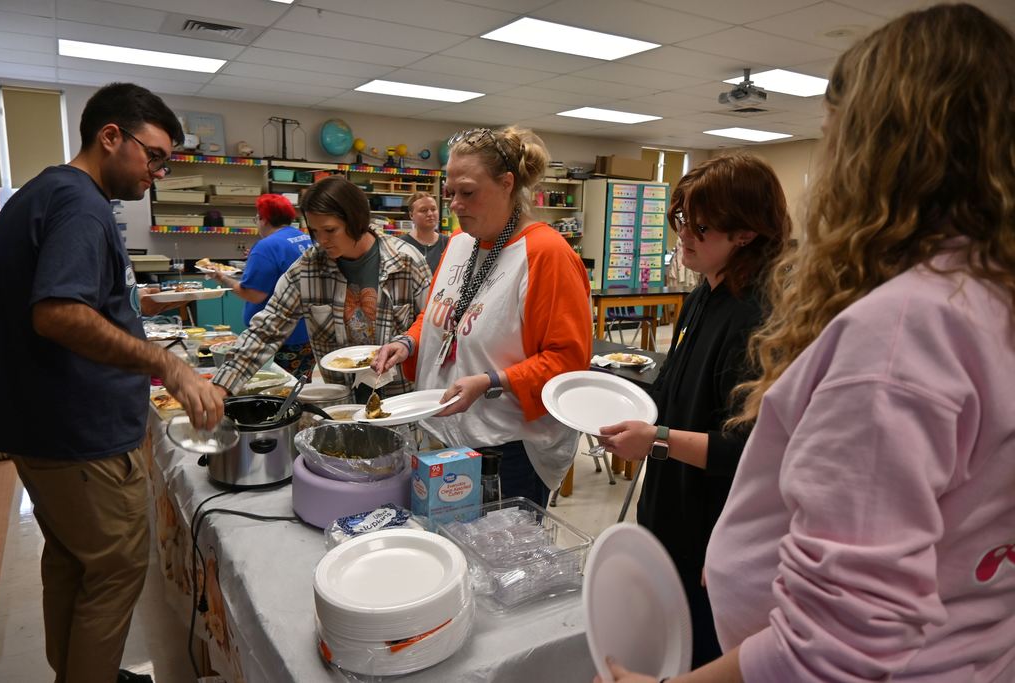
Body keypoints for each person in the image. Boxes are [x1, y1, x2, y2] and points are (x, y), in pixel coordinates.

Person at [599, 4, 1015, 682]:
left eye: (836, 133)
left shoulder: (906, 331)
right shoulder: (985, 296)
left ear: (879, 148)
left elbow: (838, 646)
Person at [0, 82, 226, 683]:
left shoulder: (40, 194)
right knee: (117, 570)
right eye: (154, 157)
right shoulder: (80, 203)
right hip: (82, 439)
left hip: (43, 431)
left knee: (73, 562)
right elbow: (59, 313)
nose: (158, 173)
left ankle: (79, 671)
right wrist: (167, 363)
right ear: (110, 136)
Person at [597, 153, 789, 668]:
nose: (683, 235)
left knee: (699, 654)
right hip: (672, 515)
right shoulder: (708, 287)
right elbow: (677, 392)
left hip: (712, 538)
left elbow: (746, 451)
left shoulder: (757, 317)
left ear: (746, 233)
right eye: (681, 218)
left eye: (700, 226)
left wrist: (656, 440)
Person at [372, 126, 593, 507]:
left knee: (501, 563)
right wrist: (407, 342)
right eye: (450, 193)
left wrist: (492, 380)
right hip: (442, 432)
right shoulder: (460, 243)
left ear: (507, 184)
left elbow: (568, 363)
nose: (455, 204)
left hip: (505, 450)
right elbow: (443, 315)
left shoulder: (546, 254)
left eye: (468, 193)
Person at [210, 176, 431, 397]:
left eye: (330, 230)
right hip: (342, 400)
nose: (321, 240)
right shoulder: (308, 268)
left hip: (400, 399)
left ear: (356, 220)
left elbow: (434, 327)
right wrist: (222, 386)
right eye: (315, 232)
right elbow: (266, 331)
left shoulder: (406, 262)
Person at [211, 193, 314, 377]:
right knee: (298, 387)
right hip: (307, 332)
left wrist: (222, 278)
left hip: (278, 336)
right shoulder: (304, 238)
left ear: (264, 219)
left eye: (257, 218)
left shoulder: (266, 246)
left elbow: (253, 294)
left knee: (276, 388)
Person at [399, 191, 449, 274]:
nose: (430, 214)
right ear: (411, 215)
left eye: (433, 209)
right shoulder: (401, 244)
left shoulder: (448, 243)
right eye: (423, 210)